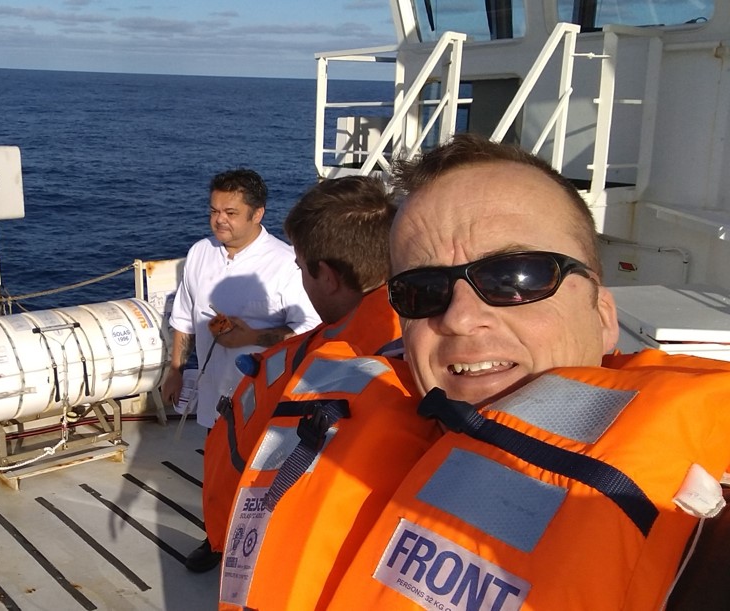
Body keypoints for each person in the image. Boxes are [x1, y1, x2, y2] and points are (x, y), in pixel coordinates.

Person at [220, 134, 730, 610]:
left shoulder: (705, 526)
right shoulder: (353, 433)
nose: (459, 318)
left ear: (602, 316)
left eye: (515, 276)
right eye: (423, 290)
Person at [196, 175, 403, 574]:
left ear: (327, 276)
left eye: (302, 270)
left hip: (290, 553)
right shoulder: (415, 343)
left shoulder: (322, 370)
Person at [160, 168, 319, 572]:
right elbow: (184, 317)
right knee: (216, 474)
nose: (220, 221)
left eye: (231, 213)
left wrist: (253, 336)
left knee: (262, 477)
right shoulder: (199, 253)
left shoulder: (286, 264)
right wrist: (175, 369)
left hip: (265, 400)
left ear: (257, 213)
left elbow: (310, 332)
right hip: (215, 395)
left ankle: (261, 547)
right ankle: (217, 541)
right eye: (214, 211)